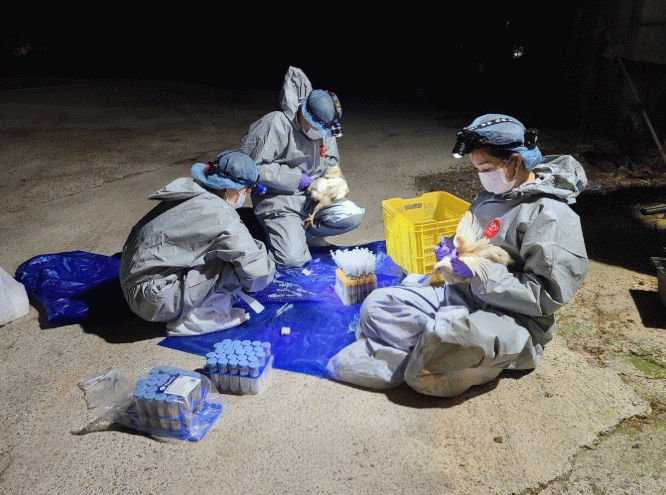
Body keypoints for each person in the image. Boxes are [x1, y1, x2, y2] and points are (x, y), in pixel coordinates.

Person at [328, 114, 589, 397]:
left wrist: (479, 274)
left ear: (514, 161)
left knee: (437, 351)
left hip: (513, 318)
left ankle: (436, 350)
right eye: (477, 168)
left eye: (485, 167)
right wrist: (451, 251)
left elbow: (545, 296)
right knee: (377, 304)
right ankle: (433, 348)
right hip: (463, 297)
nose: (481, 176)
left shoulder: (551, 215)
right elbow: (469, 240)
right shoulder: (491, 196)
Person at [119, 150, 275, 336]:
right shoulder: (221, 216)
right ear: (229, 188)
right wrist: (266, 264)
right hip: (153, 301)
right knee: (233, 264)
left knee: (226, 250)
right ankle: (200, 318)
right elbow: (257, 273)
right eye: (245, 191)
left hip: (131, 282)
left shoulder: (190, 190)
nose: (245, 195)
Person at [240, 66, 365, 268]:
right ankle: (282, 233)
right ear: (305, 116)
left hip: (313, 199)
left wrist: (334, 179)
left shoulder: (325, 129)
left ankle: (305, 234)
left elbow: (331, 162)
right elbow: (250, 168)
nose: (322, 134)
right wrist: (296, 179)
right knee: (292, 260)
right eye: (318, 128)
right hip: (281, 202)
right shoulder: (276, 124)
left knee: (351, 214)